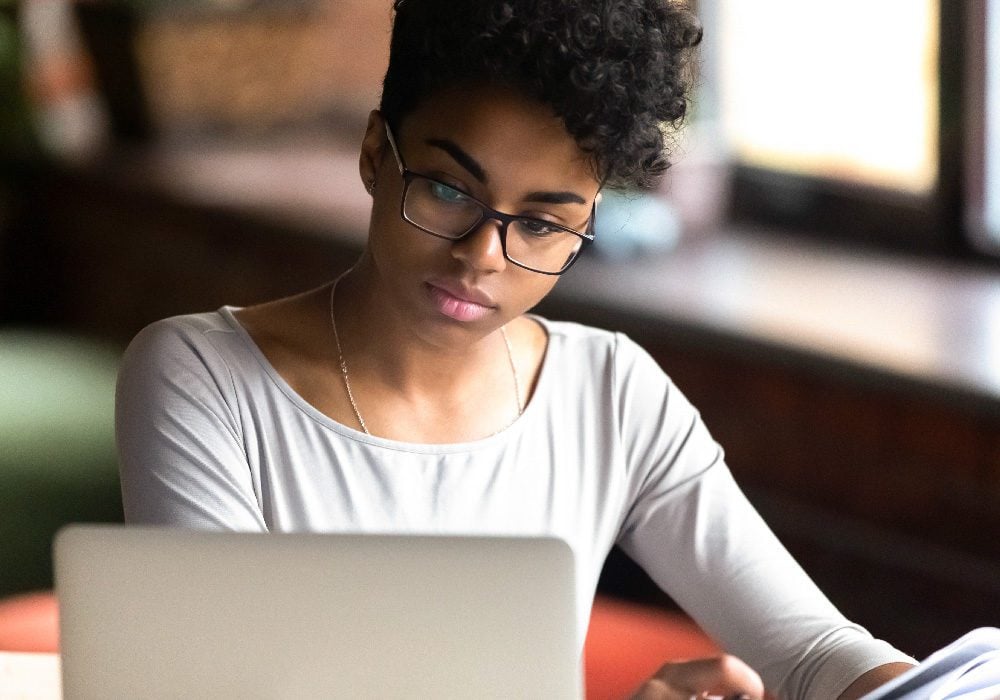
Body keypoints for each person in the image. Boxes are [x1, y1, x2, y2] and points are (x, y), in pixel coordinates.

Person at [115, 1, 917, 697]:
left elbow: (812, 649)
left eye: (540, 222)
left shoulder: (610, 395)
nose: (483, 255)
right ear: (374, 156)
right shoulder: (202, 381)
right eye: (449, 190)